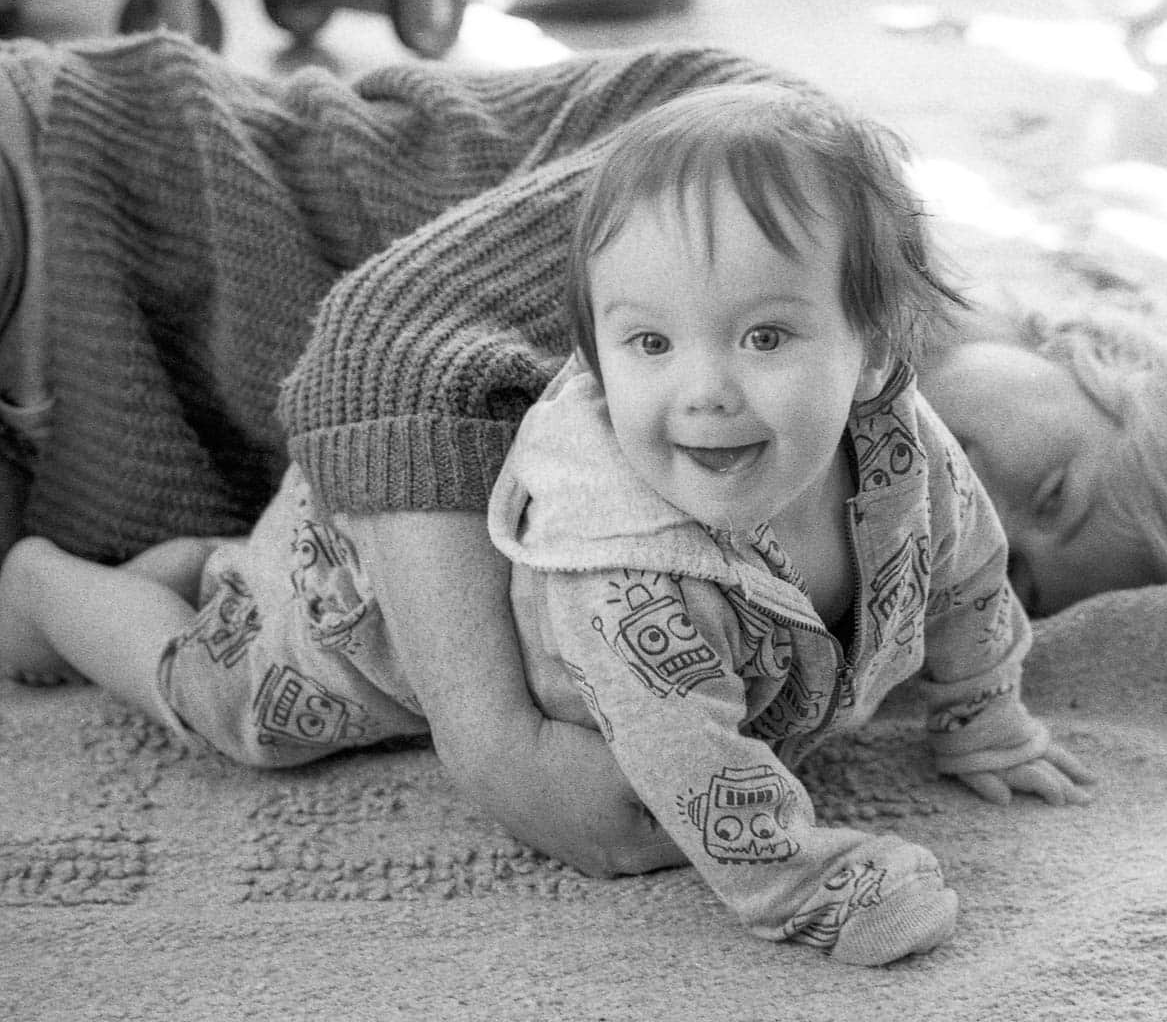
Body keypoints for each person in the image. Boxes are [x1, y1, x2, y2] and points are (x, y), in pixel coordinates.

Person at [1, 33, 1167, 874]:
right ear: (1081, 344)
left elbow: (1031, 615)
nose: (994, 516)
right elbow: (384, 347)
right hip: (73, 200)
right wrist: (501, 750)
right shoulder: (788, 168)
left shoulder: (818, 505)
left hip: (68, 455)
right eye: (1056, 482)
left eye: (1029, 557)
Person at [0, 84, 1095, 964]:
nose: (702, 391)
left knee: (243, 585)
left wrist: (982, 716)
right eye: (650, 346)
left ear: (875, 350)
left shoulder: (903, 442)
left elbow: (965, 577)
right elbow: (701, 782)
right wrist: (820, 885)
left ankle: (206, 563)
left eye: (765, 338)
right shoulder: (626, 571)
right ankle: (49, 594)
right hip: (361, 602)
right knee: (241, 703)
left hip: (370, 516)